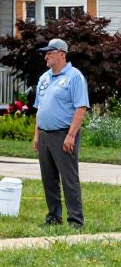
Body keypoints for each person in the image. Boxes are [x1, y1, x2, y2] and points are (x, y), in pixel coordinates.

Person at [33, 38, 89, 228]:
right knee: (48, 179)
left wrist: (71, 135)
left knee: (68, 178)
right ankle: (53, 217)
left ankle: (75, 220)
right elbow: (39, 108)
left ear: (62, 55)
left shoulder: (74, 77)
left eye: (50, 52)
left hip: (64, 134)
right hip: (45, 135)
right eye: (46, 52)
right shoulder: (44, 78)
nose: (46, 55)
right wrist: (36, 135)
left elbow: (81, 108)